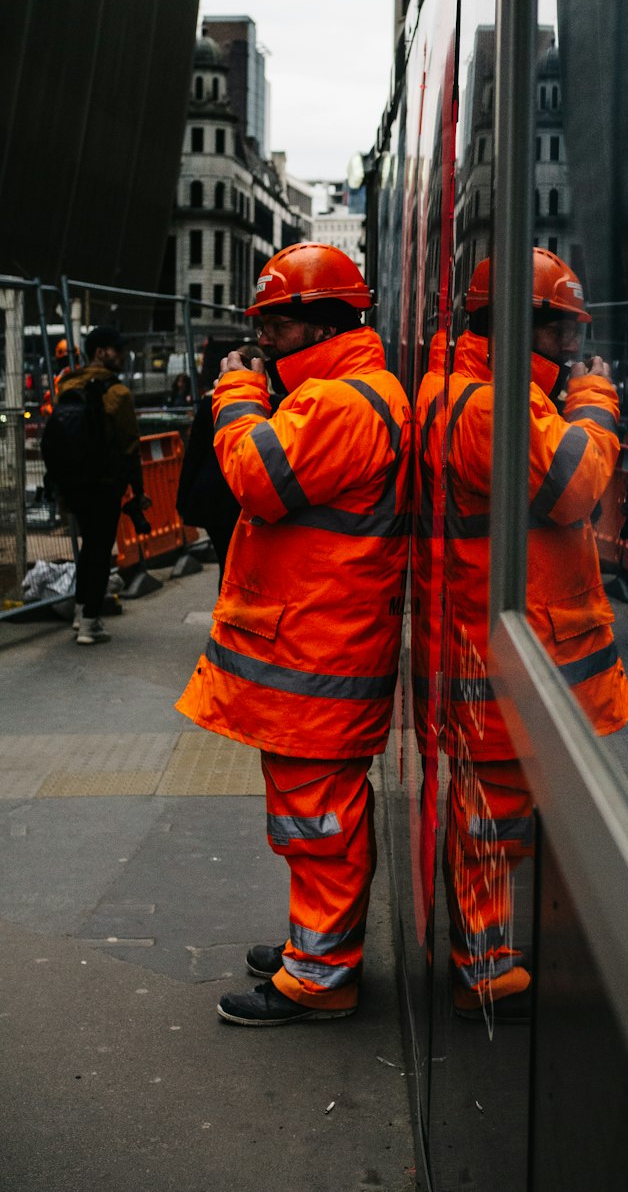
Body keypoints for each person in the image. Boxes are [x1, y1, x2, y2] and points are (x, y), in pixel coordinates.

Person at [175, 243, 412, 1026]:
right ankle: (318, 948)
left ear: (318, 322)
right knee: (317, 816)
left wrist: (236, 389)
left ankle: (321, 976)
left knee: (321, 821)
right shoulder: (340, 395)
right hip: (317, 649)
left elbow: (256, 479)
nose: (264, 344)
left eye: (273, 328)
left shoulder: (341, 403)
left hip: (320, 654)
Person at [423, 249, 628, 1017]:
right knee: (490, 817)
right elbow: (572, 487)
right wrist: (598, 404)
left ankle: (490, 958)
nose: (573, 348)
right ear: (518, 324)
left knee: (499, 815)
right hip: (502, 656)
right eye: (560, 331)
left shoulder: (500, 392)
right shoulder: (487, 403)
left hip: (510, 648)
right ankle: (484, 968)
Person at [49, 325, 150, 645]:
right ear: (100, 353)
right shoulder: (117, 393)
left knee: (87, 548)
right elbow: (130, 444)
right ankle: (91, 622)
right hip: (104, 483)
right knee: (99, 549)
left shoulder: (68, 383)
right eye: (116, 350)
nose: (122, 355)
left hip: (72, 481)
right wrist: (138, 490)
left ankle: (82, 614)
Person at [174, 347, 264, 586]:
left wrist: (183, 499)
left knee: (226, 563)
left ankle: (225, 615)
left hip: (213, 495)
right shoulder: (266, 402)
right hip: (242, 497)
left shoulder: (210, 402)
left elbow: (195, 453)